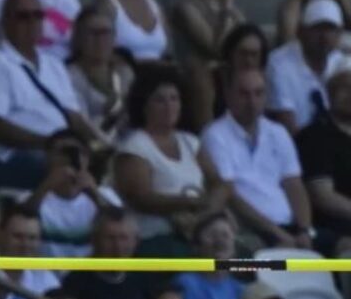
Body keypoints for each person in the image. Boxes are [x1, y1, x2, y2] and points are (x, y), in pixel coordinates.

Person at [0, 0, 99, 189]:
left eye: (38, 15)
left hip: (60, 151)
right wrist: (49, 144)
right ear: (5, 22)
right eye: (23, 16)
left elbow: (75, 118)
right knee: (69, 172)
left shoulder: (54, 64)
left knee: (115, 164)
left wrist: (97, 145)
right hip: (11, 156)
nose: (32, 22)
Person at [112, 67, 230, 255]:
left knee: (243, 258)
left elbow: (219, 183)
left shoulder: (190, 142)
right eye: (160, 100)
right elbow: (141, 198)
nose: (169, 106)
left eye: (174, 98)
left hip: (198, 233)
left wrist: (207, 212)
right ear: (144, 105)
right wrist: (188, 203)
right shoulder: (134, 147)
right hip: (157, 238)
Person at [202, 69, 320, 252]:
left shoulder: (278, 132)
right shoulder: (215, 135)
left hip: (291, 227)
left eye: (258, 93)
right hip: (251, 230)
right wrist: (279, 234)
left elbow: (294, 184)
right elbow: (231, 196)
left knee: (344, 247)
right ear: (228, 95)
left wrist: (305, 230)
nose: (252, 102)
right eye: (244, 94)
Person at [170, 0, 245, 131]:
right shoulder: (185, 7)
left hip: (228, 76)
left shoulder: (235, 13)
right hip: (195, 80)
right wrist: (227, 1)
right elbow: (216, 48)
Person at [19, 130, 121, 262]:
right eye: (63, 152)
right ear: (47, 157)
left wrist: (94, 194)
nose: (70, 158)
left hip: (88, 273)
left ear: (88, 159)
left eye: (79, 152)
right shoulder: (29, 197)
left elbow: (120, 225)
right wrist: (46, 186)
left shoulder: (106, 195)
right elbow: (22, 218)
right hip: (44, 273)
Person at [61, 208, 150, 299]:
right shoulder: (75, 282)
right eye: (110, 238)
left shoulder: (142, 280)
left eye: (124, 238)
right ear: (94, 240)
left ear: (136, 241)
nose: (118, 247)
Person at [267, 0, 351, 134]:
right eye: (318, 29)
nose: (324, 36)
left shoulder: (341, 62)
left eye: (330, 29)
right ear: (300, 31)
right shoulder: (279, 63)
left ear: (339, 34)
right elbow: (287, 123)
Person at [66, 2, 133, 140]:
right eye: (93, 33)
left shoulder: (125, 73)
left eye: (106, 33)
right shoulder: (68, 76)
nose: (100, 40)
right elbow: (80, 124)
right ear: (78, 37)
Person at [299, 69, 351, 241]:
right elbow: (322, 196)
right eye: (344, 88)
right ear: (330, 94)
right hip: (336, 229)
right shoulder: (316, 135)